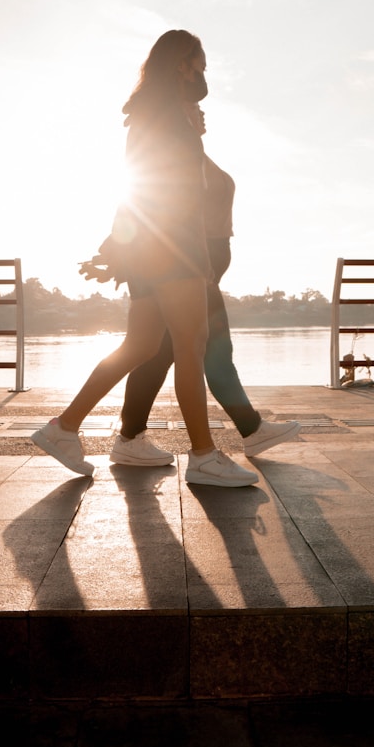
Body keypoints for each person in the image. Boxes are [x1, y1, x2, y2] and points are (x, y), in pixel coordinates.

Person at [31, 30, 258, 487]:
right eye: (199, 62)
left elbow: (133, 187)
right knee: (191, 347)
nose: (204, 71)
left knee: (140, 347)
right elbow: (155, 187)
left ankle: (62, 429)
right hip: (176, 249)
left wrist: (119, 249)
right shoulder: (167, 117)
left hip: (153, 253)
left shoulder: (154, 114)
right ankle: (204, 457)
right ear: (181, 64)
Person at [109, 102, 300, 467]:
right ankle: (247, 430)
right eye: (195, 108)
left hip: (201, 263)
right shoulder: (179, 154)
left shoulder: (196, 152)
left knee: (161, 351)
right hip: (191, 265)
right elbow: (146, 200)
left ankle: (129, 436)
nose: (202, 112)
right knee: (211, 349)